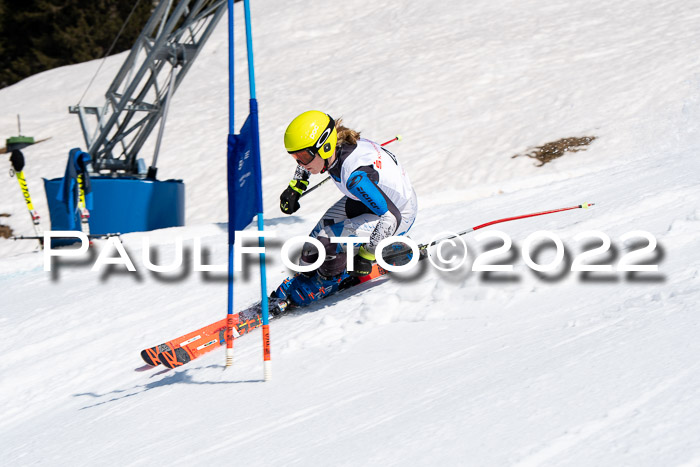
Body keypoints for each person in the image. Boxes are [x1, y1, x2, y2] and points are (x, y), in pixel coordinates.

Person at [273, 110, 418, 307]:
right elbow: (307, 159)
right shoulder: (335, 144)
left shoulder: (354, 176)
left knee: (326, 240)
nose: (300, 164)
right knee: (313, 245)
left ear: (324, 147)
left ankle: (325, 283)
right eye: (295, 157)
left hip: (399, 213)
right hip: (369, 202)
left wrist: (367, 256)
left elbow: (391, 217)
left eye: (303, 157)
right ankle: (308, 275)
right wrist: (296, 186)